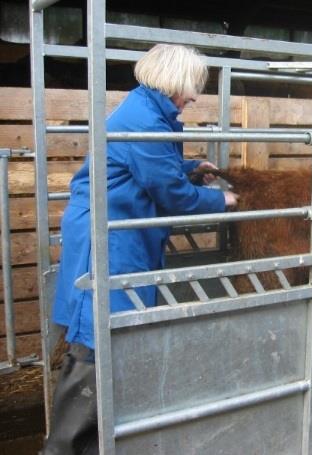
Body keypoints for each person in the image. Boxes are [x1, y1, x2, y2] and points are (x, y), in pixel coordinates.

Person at [42, 44, 238, 454]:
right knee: (97, 336)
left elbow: (148, 169)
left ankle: (102, 442)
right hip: (111, 235)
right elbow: (169, 193)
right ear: (175, 81)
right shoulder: (144, 118)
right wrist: (221, 202)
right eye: (193, 87)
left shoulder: (148, 113)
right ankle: (62, 448)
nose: (195, 97)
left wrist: (189, 168)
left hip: (118, 226)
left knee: (113, 332)